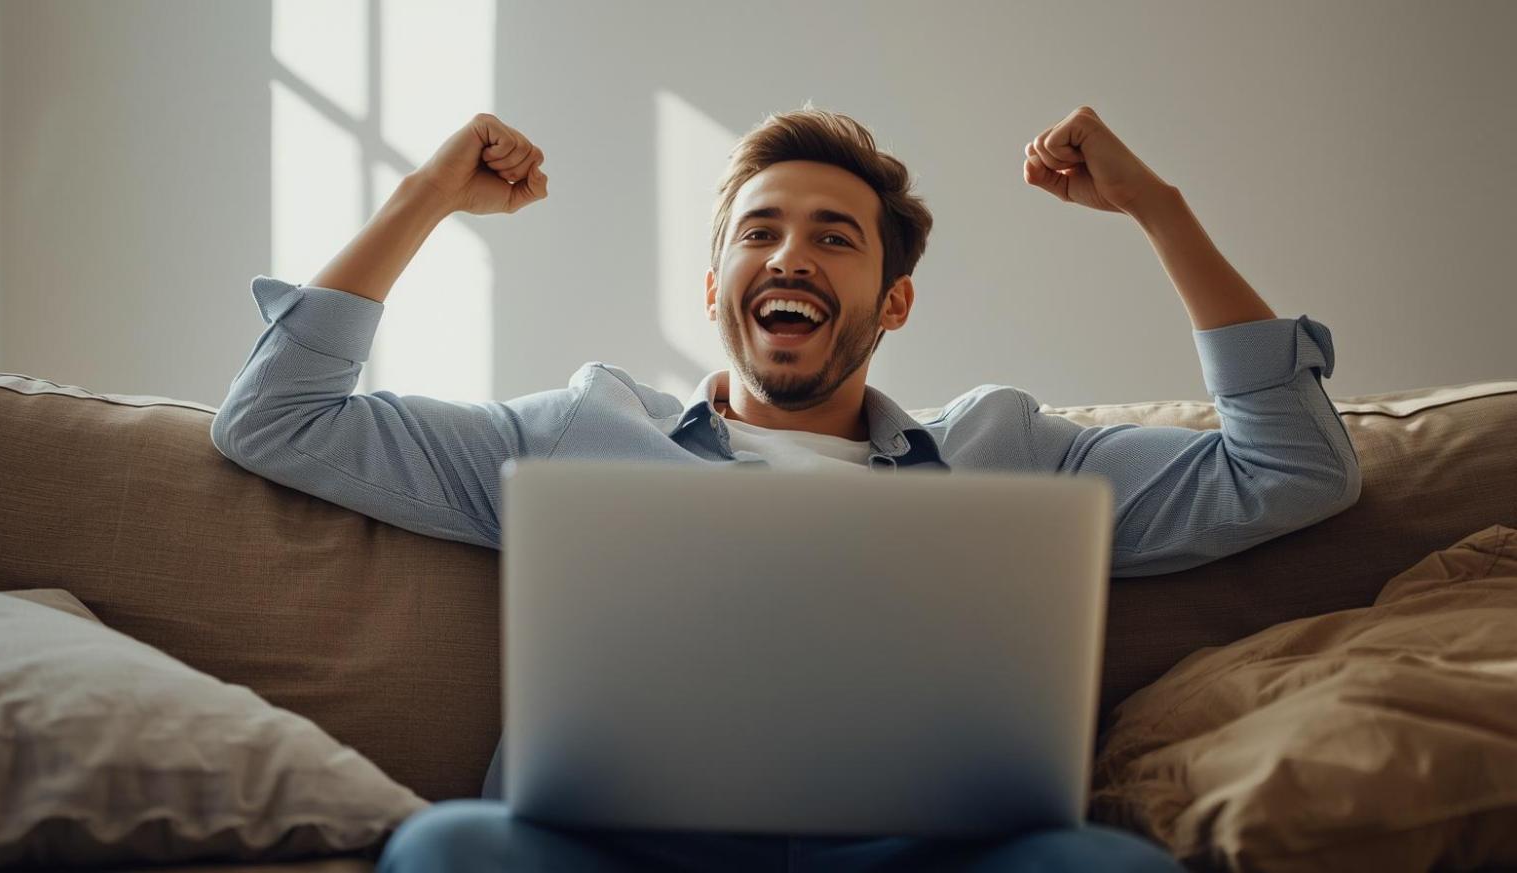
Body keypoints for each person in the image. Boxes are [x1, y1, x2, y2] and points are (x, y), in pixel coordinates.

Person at [211, 105, 1362, 872]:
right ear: (715, 285)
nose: (788, 257)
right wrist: (423, 194)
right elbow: (275, 419)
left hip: (923, 853)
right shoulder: (572, 432)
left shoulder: (1013, 450)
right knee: (444, 852)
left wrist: (1157, 208)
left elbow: (1292, 470)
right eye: (758, 232)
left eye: (833, 237)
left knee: (1111, 869)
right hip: (618, 852)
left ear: (892, 301)